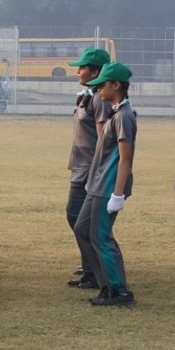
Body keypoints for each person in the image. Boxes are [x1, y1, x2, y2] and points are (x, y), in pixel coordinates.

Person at [81, 61, 137, 307]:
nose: (99, 89)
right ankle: (106, 284)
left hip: (108, 186)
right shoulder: (115, 112)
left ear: (116, 85)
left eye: (102, 84)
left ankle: (120, 291)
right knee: (84, 229)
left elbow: (125, 158)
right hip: (98, 183)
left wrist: (118, 194)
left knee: (101, 236)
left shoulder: (124, 116)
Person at [67, 47, 112, 290]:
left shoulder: (99, 99)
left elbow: (103, 137)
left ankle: (95, 270)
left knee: (81, 220)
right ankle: (90, 266)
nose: (78, 72)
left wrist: (97, 171)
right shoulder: (88, 95)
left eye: (82, 68)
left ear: (95, 72)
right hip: (80, 166)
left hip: (90, 170)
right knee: (78, 219)